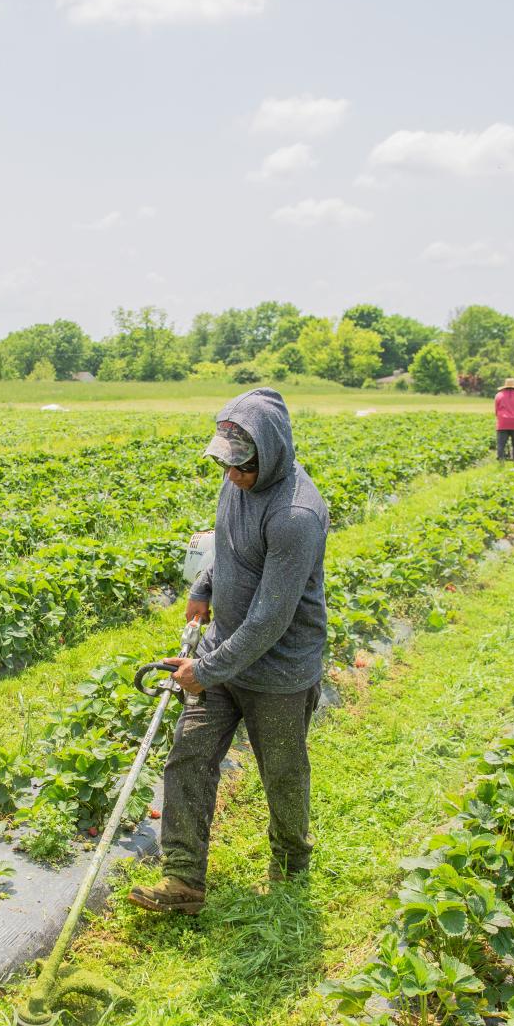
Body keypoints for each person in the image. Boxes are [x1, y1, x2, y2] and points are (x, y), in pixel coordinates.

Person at [128, 388, 329, 916]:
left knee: (282, 770)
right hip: (224, 653)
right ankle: (183, 882)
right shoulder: (235, 484)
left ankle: (291, 864)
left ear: (272, 451)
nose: (232, 475)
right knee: (189, 756)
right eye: (226, 463)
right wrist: (205, 586)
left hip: (280, 669)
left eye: (241, 466)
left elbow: (270, 618)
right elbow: (231, 543)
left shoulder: (297, 514)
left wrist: (206, 669)